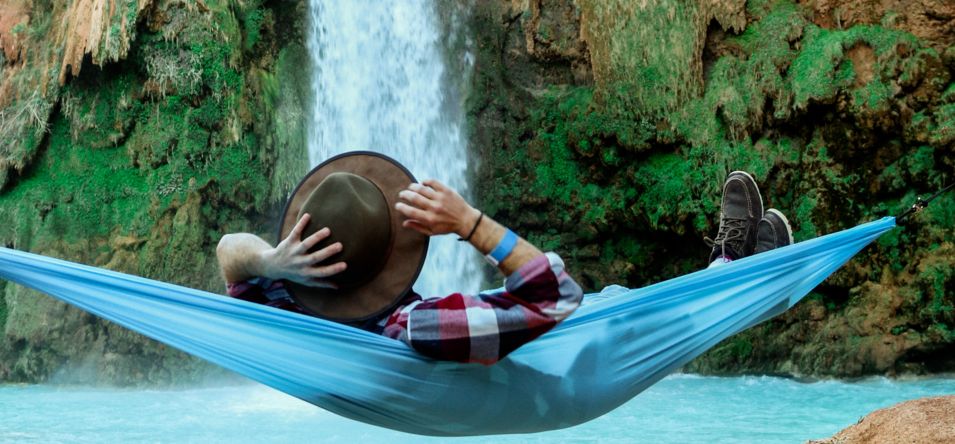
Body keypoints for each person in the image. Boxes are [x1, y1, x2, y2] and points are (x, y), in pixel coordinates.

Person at [216, 151, 791, 365]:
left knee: (618, 302)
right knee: (620, 317)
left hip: (536, 329)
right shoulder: (417, 329)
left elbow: (228, 253)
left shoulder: (285, 305)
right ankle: (746, 290)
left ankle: (725, 270)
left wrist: (271, 261)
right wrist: (468, 222)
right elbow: (558, 298)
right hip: (568, 356)